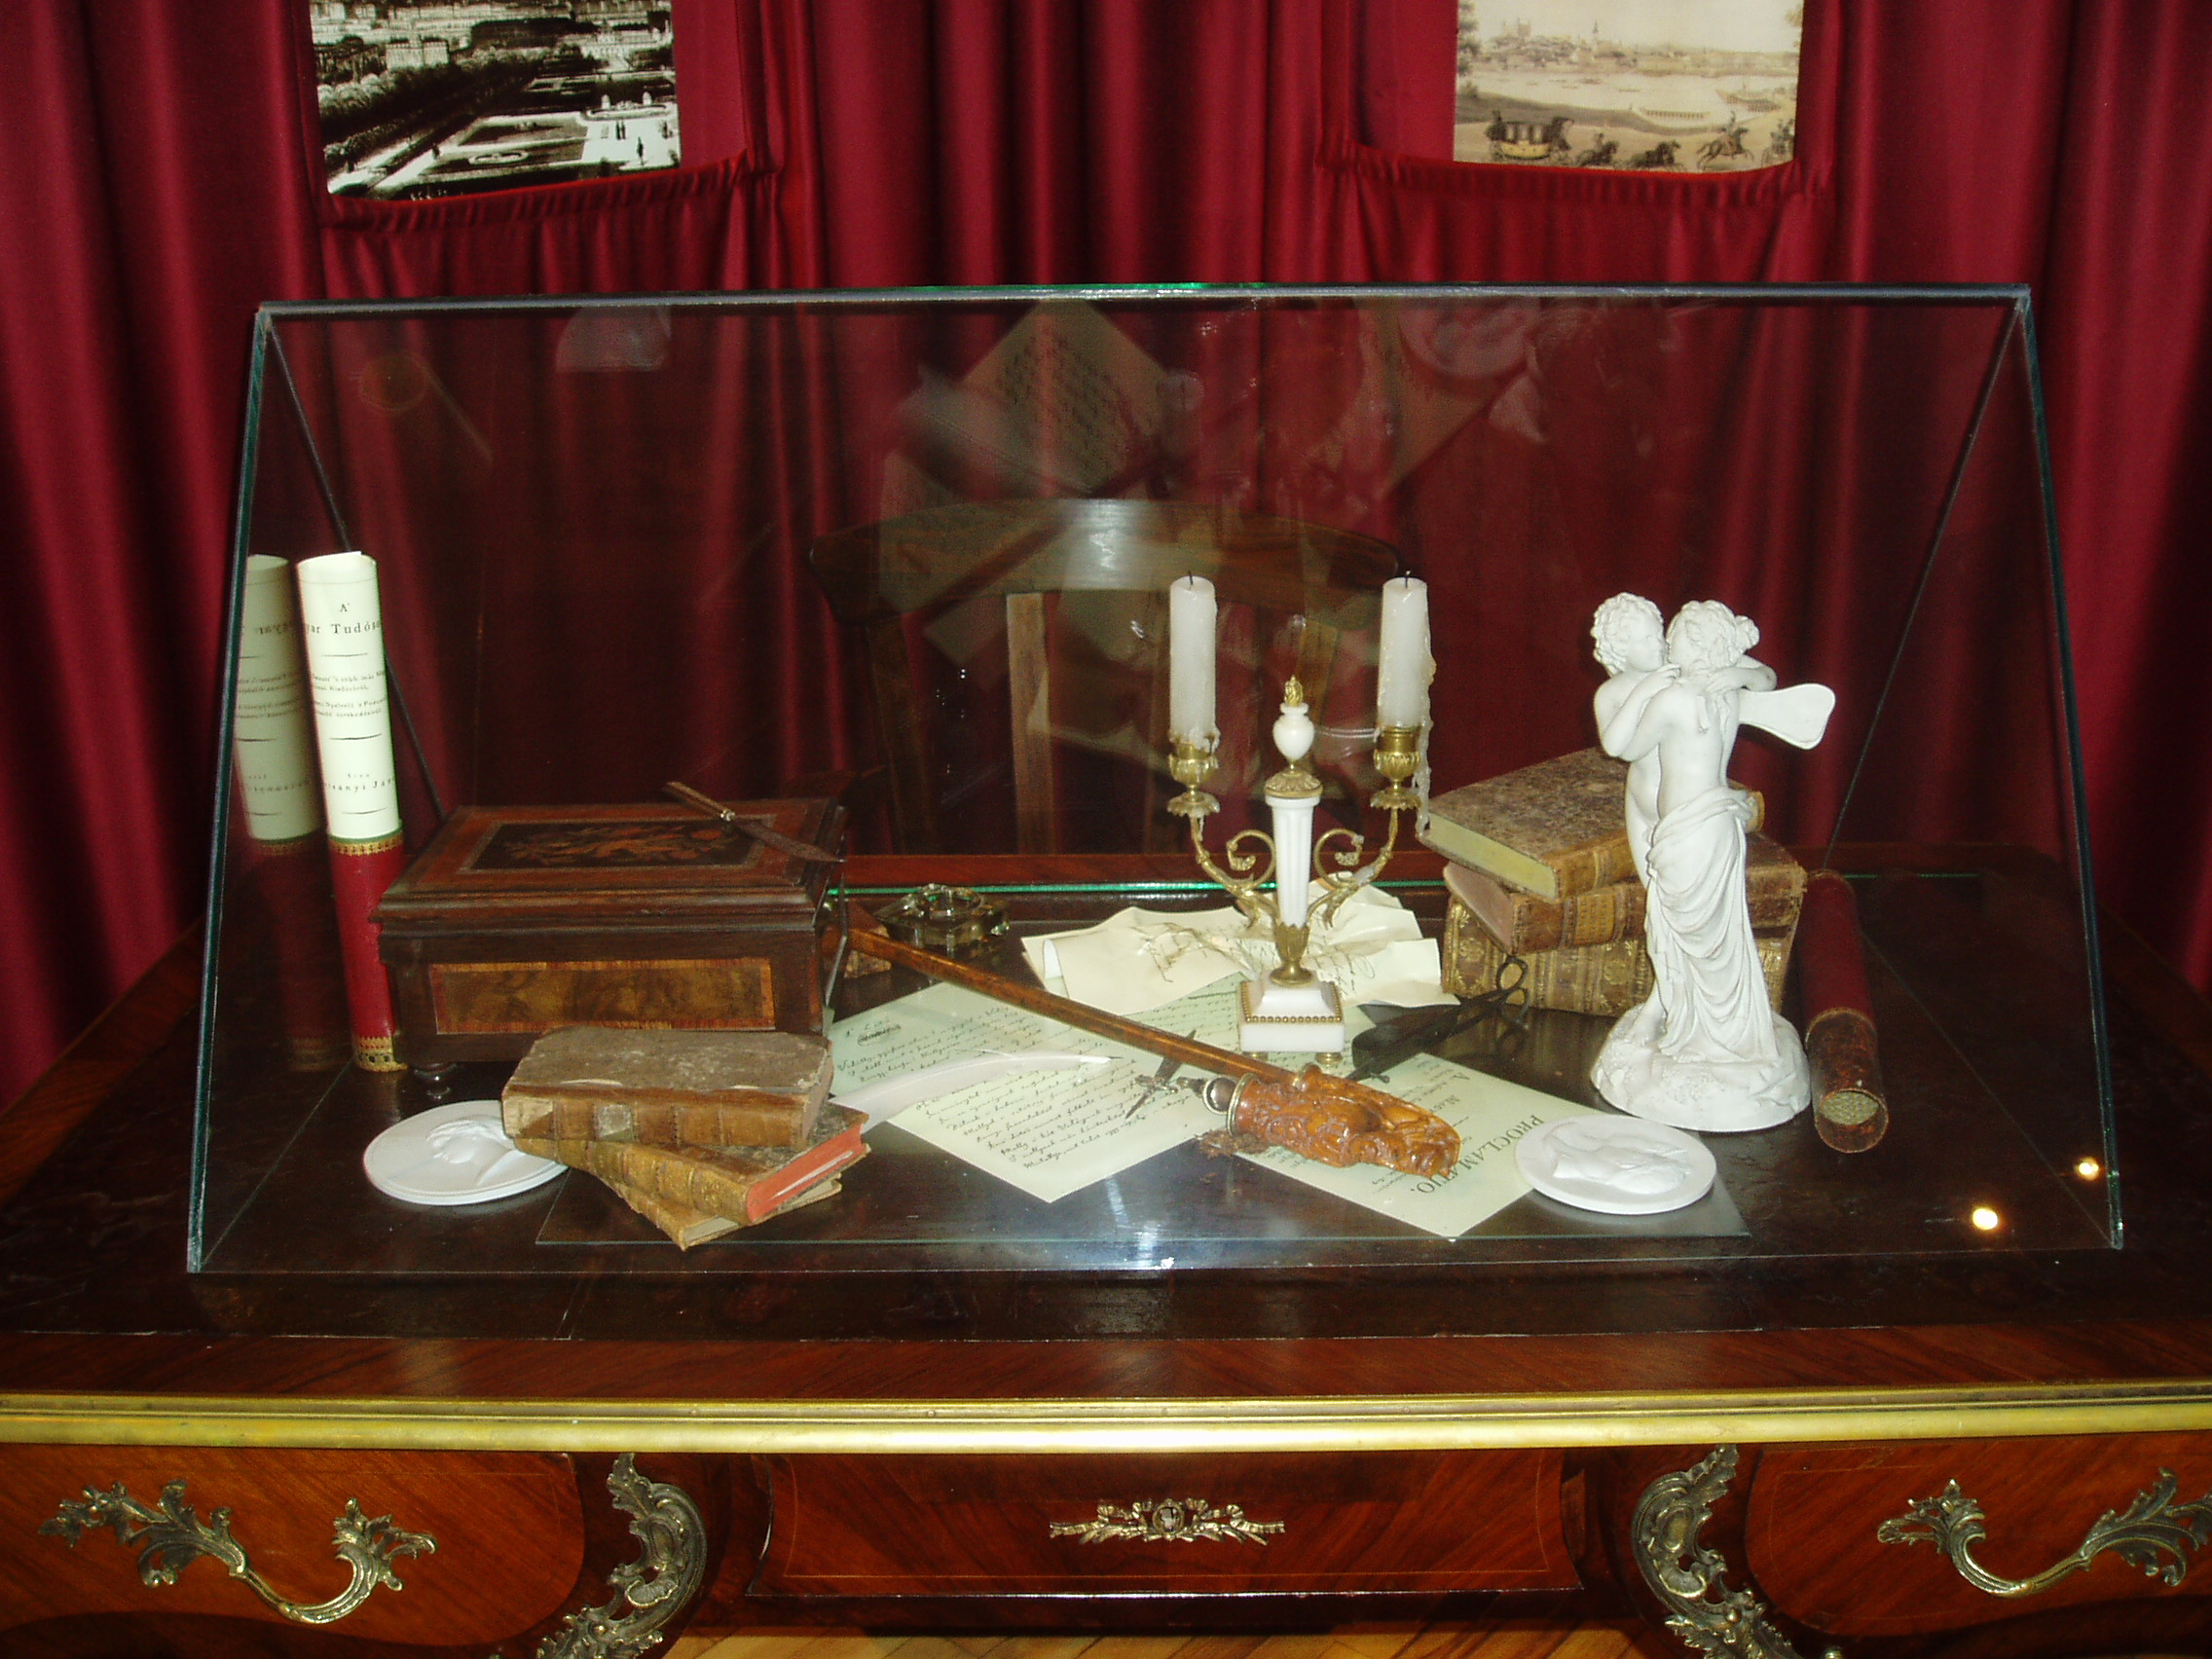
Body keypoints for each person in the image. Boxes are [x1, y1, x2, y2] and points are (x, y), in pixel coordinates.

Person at [1589, 597, 1811, 1131]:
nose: (1664, 642)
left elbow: (1621, 745)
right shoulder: (1702, 688)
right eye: (1652, 636)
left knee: (1686, 927)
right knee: (1690, 927)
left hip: (1687, 824)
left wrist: (1714, 675)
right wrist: (1727, 674)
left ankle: (1705, 1031)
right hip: (1692, 819)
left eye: (1668, 633)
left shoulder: (1677, 694)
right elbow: (1759, 679)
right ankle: (1699, 1020)